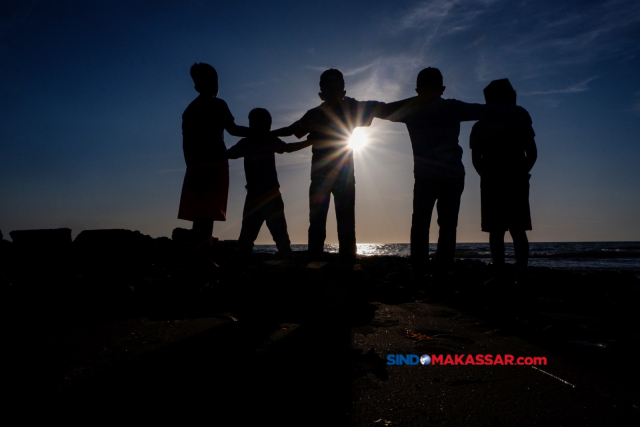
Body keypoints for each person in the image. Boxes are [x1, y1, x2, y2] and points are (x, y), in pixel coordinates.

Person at [376, 67, 532, 278]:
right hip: (449, 176)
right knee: (446, 226)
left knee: (423, 225)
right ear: (442, 88)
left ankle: (422, 271)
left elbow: (380, 109)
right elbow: (484, 110)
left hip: (432, 177)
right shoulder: (448, 108)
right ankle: (441, 271)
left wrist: (350, 109)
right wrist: (517, 110)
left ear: (418, 89)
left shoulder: (412, 109)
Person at [272, 69, 383, 263]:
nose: (332, 93)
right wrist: (265, 134)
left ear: (343, 92)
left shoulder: (351, 108)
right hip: (321, 178)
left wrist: (411, 105)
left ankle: (346, 264)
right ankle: (315, 263)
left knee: (345, 223)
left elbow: (381, 108)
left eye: (336, 88)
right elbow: (291, 130)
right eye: (328, 89)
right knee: (318, 224)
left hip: (344, 178)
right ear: (321, 94)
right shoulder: (314, 114)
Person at [178, 62, 252, 272]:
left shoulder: (189, 110)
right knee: (207, 214)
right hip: (215, 163)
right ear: (214, 84)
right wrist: (259, 133)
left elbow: (186, 143)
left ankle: (199, 258)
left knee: (201, 215)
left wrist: (190, 166)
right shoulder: (218, 105)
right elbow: (234, 130)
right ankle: (202, 260)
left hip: (195, 165)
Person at [470, 79, 537, 281]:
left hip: (507, 180)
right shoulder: (484, 125)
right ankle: (508, 273)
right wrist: (487, 174)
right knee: (503, 230)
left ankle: (515, 273)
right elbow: (476, 158)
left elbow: (532, 152)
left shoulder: (519, 119)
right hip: (500, 180)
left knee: (508, 230)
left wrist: (520, 172)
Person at [226, 108, 312, 263]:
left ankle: (244, 268)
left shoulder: (255, 141)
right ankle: (283, 266)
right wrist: (309, 142)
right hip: (265, 195)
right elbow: (287, 148)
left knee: (253, 237)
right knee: (272, 236)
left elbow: (229, 154)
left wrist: (309, 142)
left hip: (262, 195)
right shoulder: (256, 141)